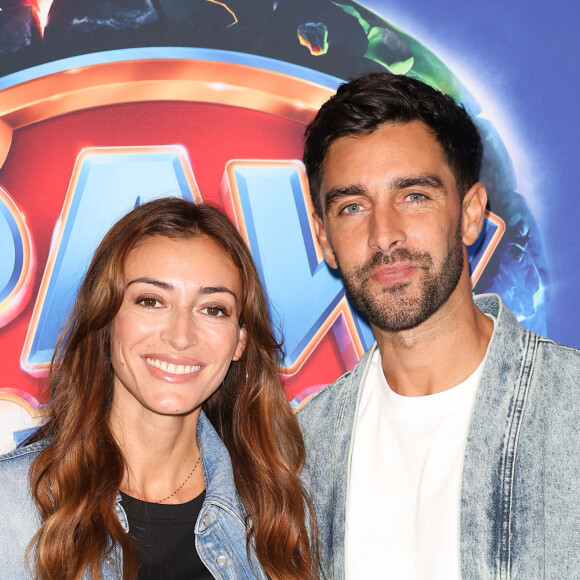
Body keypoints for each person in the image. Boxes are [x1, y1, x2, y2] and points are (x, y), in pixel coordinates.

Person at [297, 72, 580, 579]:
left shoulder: (571, 408)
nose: (385, 235)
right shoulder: (298, 453)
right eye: (353, 206)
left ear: (471, 214)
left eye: (414, 196)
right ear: (323, 238)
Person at [0, 198, 319, 579]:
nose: (181, 337)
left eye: (213, 309)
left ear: (239, 342)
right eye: (151, 301)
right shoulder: (12, 506)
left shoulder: (281, 511)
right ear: (107, 322)